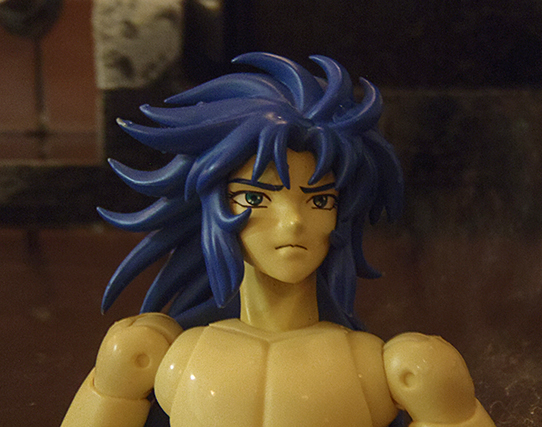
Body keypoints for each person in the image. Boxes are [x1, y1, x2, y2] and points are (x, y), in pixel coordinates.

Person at [62, 53, 495, 427]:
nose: (292, 223)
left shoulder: (390, 371)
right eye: (255, 197)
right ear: (214, 208)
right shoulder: (160, 359)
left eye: (320, 200)